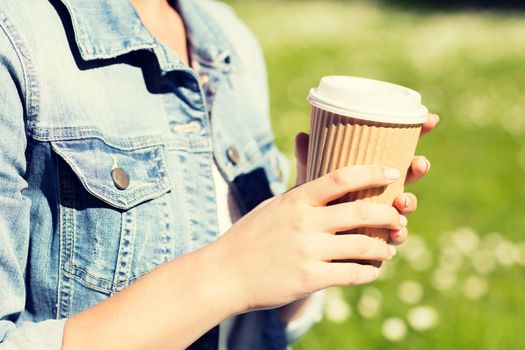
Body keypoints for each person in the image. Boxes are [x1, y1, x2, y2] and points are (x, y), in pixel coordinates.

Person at [0, 0, 439, 349]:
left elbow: (255, 330)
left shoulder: (227, 36)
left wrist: (315, 235)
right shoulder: (16, 37)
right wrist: (229, 273)